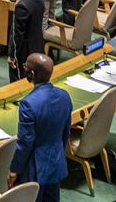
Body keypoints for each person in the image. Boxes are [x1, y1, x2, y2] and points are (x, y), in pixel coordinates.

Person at [9, 53, 72, 202]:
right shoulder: (64, 96)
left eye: (26, 67)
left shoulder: (28, 104)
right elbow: (66, 132)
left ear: (31, 74)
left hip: (34, 169)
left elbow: (25, 142)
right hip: (56, 162)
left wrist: (14, 170)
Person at [9, 0, 46, 81]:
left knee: (20, 81)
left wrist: (12, 55)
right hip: (38, 46)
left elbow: (17, 34)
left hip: (24, 52)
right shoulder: (40, 1)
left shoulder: (22, 6)